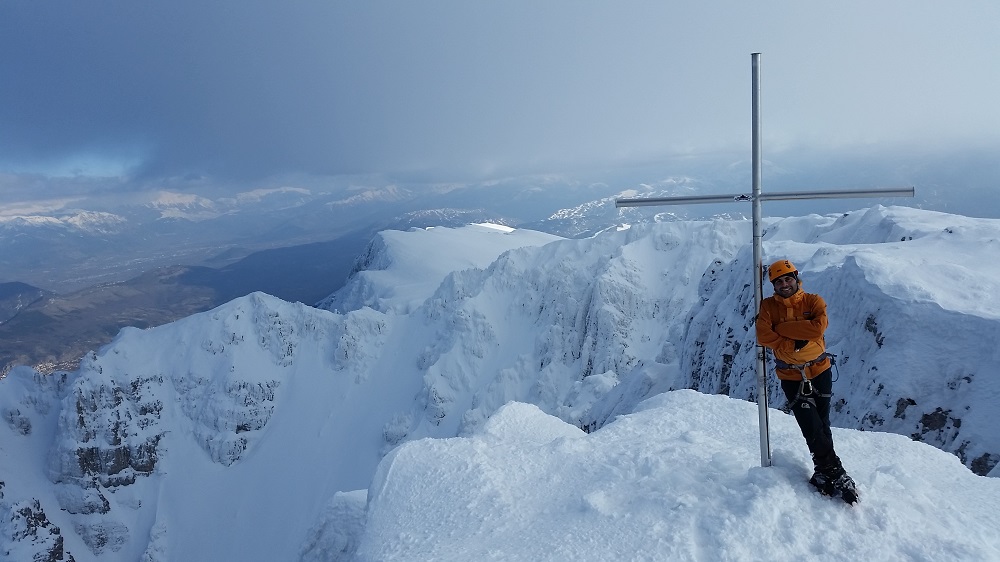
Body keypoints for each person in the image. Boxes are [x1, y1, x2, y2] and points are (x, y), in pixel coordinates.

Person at [755, 259, 859, 504]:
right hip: (790, 374)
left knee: (821, 424)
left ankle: (823, 471)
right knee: (811, 425)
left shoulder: (814, 301)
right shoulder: (768, 306)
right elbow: (763, 334)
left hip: (819, 370)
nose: (784, 284)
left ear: (796, 277)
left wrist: (781, 330)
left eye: (788, 278)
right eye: (778, 281)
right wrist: (790, 341)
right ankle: (837, 472)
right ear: (773, 285)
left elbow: (817, 328)